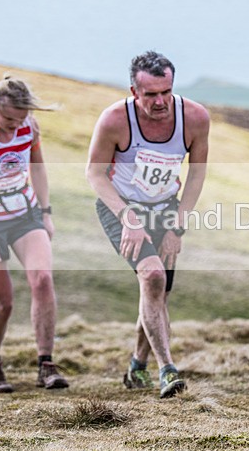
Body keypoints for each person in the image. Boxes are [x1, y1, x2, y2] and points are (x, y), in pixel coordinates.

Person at [86, 51, 209, 399]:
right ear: (133, 91)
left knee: (159, 293)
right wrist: (128, 218)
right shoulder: (114, 120)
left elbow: (197, 173)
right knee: (152, 276)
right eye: (151, 94)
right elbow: (94, 173)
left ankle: (137, 365)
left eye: (165, 92)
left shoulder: (195, 118)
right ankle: (168, 370)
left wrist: (177, 226)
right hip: (120, 208)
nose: (160, 102)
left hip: (166, 208)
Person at [0, 75, 69, 393]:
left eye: (19, 120)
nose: (13, 128)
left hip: (24, 215)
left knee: (43, 281)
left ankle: (46, 364)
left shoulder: (29, 127)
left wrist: (45, 213)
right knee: (3, 304)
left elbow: (38, 167)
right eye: (7, 119)